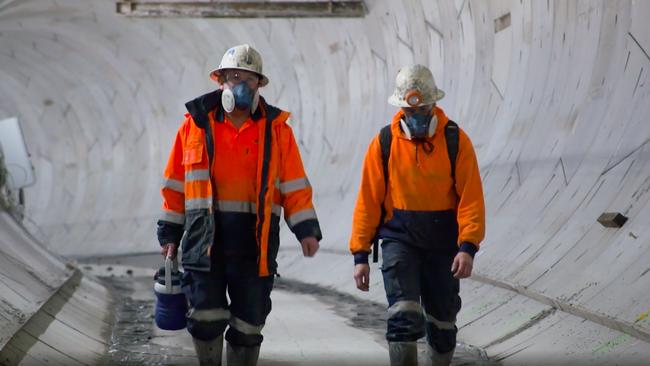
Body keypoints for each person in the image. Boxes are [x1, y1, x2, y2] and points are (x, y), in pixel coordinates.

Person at [157, 44, 322, 366]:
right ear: (220, 80)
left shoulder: (276, 131)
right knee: (205, 319)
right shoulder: (195, 126)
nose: (240, 85)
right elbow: (175, 185)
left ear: (259, 85)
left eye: (248, 79)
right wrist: (169, 235)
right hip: (205, 241)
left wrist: (307, 230)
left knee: (249, 323)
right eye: (233, 76)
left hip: (254, 244)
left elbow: (294, 185)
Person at [349, 64, 485, 366]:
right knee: (403, 316)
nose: (418, 117)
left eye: (422, 109)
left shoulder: (455, 141)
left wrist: (468, 247)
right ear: (401, 109)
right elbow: (368, 202)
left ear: (433, 105)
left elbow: (471, 199)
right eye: (411, 112)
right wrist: (360, 255)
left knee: (443, 324)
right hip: (400, 242)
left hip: (443, 247)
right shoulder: (384, 144)